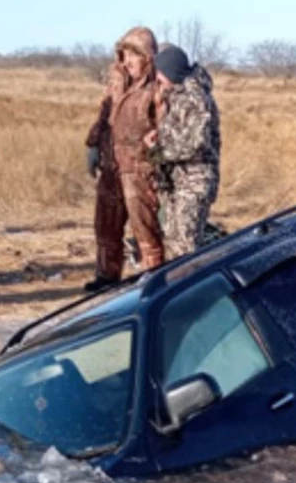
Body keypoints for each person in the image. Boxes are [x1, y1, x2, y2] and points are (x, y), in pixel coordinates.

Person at [83, 27, 165, 291]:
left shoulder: (156, 88)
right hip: (111, 167)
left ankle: (154, 280)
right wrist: (93, 143)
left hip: (139, 169)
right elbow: (103, 116)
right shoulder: (116, 83)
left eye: (134, 55)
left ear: (148, 58)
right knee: (106, 226)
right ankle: (107, 278)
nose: (127, 61)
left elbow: (166, 129)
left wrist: (157, 159)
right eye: (124, 55)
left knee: (145, 230)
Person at [147, 44, 221, 259]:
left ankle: (195, 291)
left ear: (170, 71)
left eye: (160, 72)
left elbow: (195, 143)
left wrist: (158, 151)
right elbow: (180, 133)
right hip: (178, 181)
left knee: (186, 248)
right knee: (174, 242)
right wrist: (159, 136)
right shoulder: (177, 96)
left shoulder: (195, 98)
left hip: (194, 183)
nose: (157, 78)